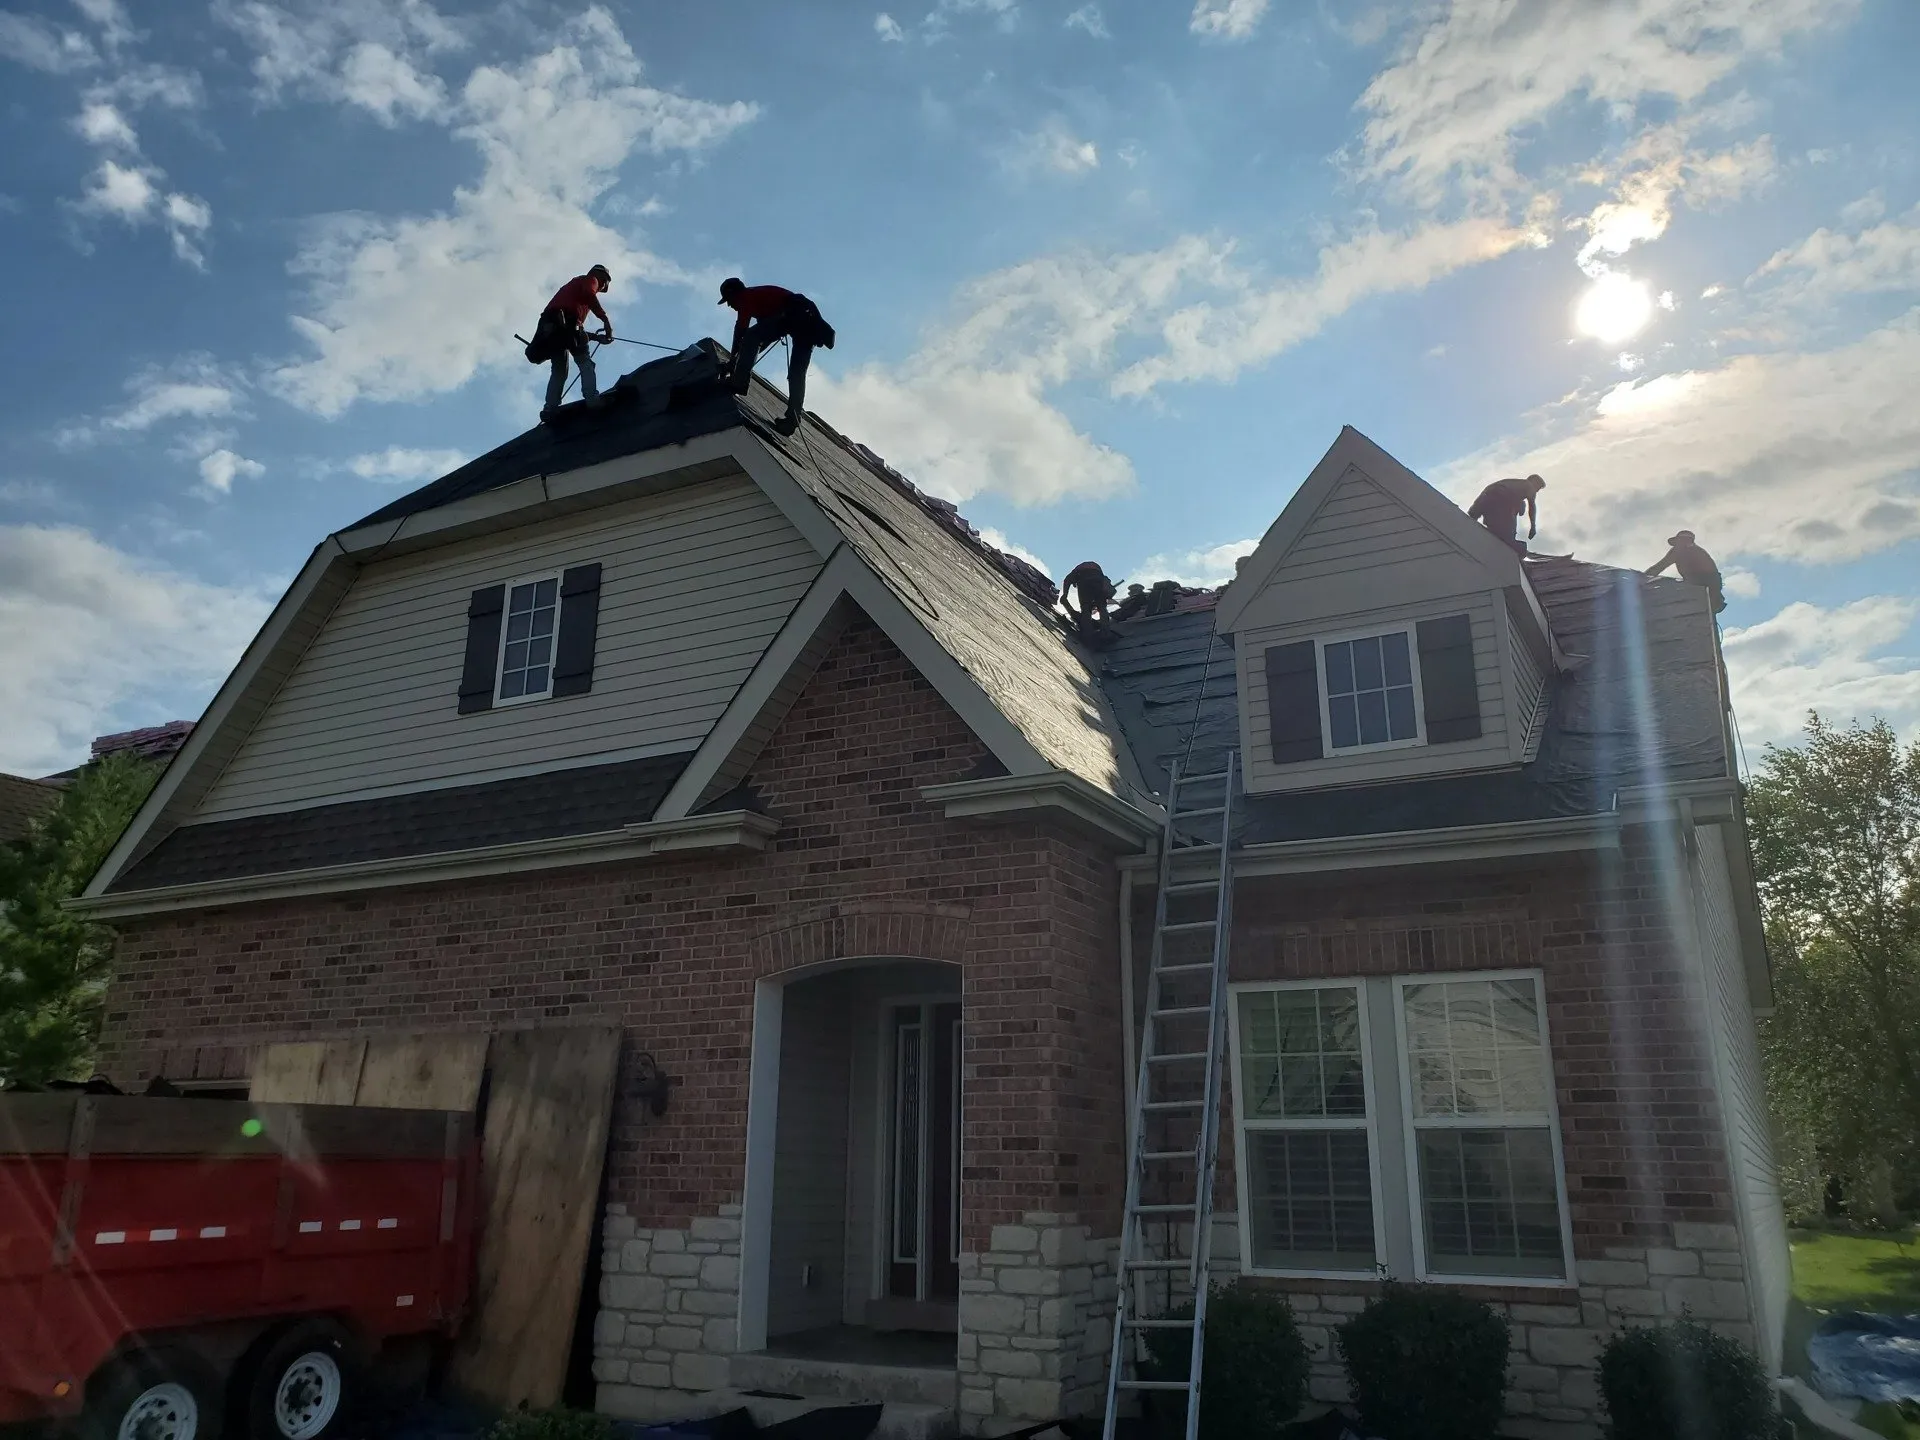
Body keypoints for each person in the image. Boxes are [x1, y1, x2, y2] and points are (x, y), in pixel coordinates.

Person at [719, 278, 836, 435]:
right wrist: (734, 363)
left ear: (735, 294)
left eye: (729, 300)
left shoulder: (746, 297)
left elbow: (742, 333)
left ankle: (739, 382)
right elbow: (756, 345)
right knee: (796, 374)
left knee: (751, 337)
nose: (730, 305)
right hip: (805, 323)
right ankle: (791, 422)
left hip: (795, 317)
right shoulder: (762, 302)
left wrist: (732, 364)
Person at [527, 265, 613, 417]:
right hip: (566, 325)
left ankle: (550, 408)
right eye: (605, 281)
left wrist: (595, 337)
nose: (604, 286)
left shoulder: (571, 291)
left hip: (550, 327)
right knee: (585, 363)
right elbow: (573, 327)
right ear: (599, 276)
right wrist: (605, 320)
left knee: (559, 370)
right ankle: (592, 399)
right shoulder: (590, 280)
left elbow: (572, 331)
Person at [1645, 530, 1726, 613]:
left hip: (1705, 587)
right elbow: (1659, 566)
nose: (1678, 544)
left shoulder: (1697, 553)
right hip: (1697, 586)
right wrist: (1644, 577)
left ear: (1686, 541)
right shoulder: (1677, 551)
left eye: (1679, 541)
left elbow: (1712, 577)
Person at [1467, 473, 1546, 552]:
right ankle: (1516, 547)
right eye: (1538, 488)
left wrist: (1474, 512)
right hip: (1499, 498)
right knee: (1507, 537)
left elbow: (1489, 492)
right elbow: (1532, 507)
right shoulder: (1529, 485)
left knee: (1471, 520)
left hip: (1486, 496)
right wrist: (1533, 527)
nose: (1537, 491)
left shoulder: (1511, 484)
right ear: (1534, 481)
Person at [1060, 560, 1117, 639]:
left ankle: (1087, 633)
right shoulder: (1091, 567)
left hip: (1085, 580)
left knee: (1086, 608)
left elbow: (1067, 580)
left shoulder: (1075, 573)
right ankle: (1106, 632)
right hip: (1099, 580)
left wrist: (1065, 595)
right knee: (1102, 608)